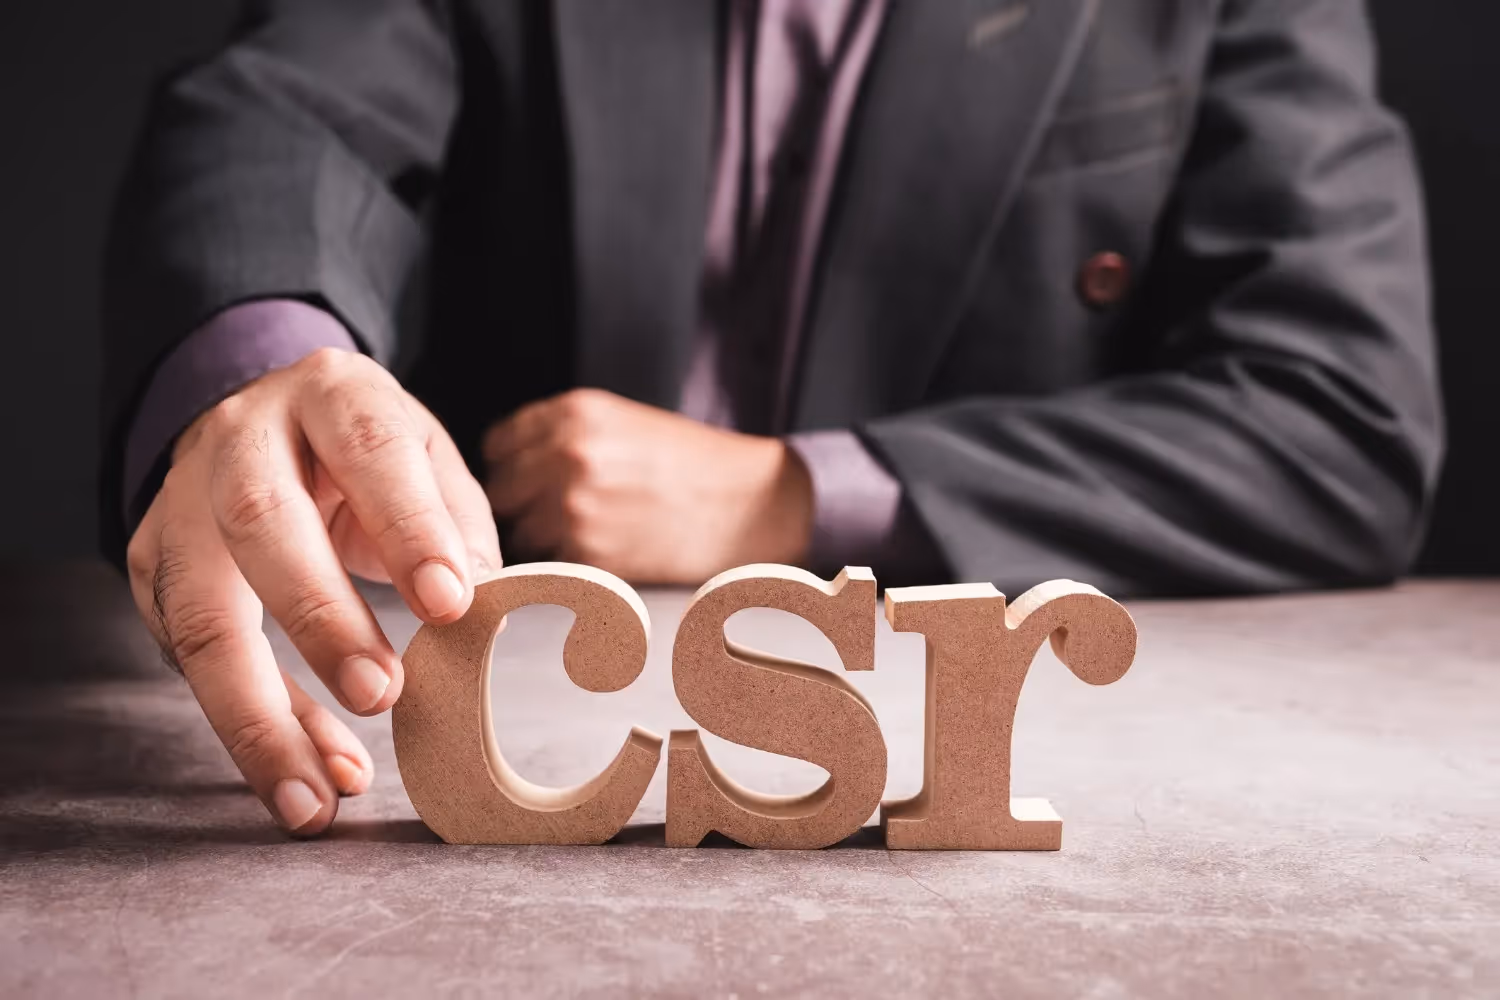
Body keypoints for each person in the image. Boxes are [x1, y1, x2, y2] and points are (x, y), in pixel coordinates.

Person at [100, 0, 1442, 835]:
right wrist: (262, 356)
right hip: (503, 666)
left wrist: (783, 494)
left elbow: (1341, 416)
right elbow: (281, 110)